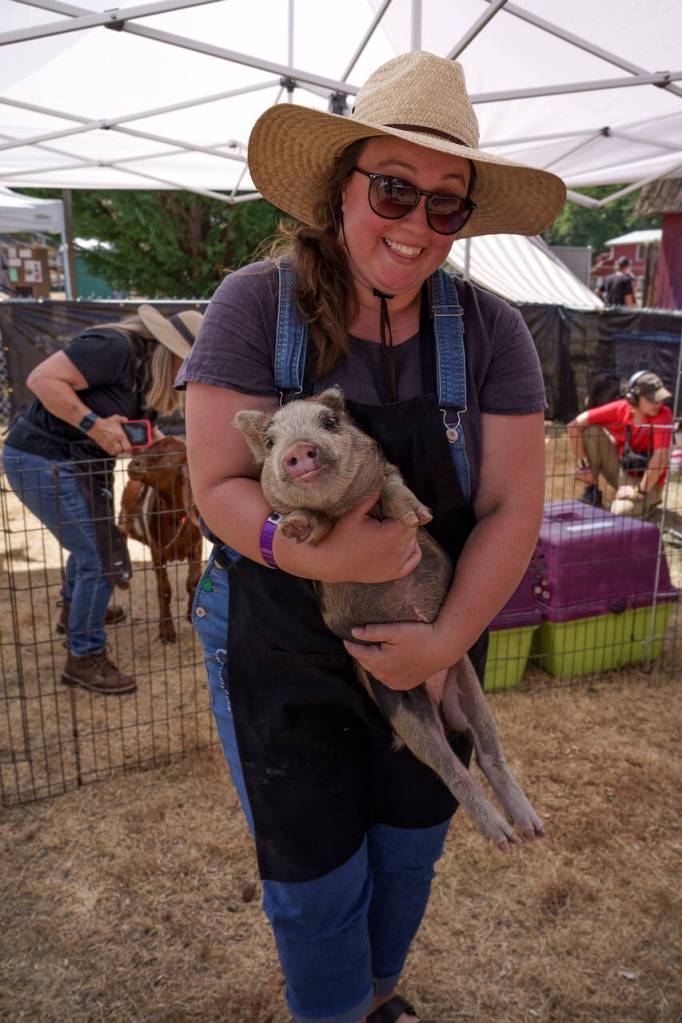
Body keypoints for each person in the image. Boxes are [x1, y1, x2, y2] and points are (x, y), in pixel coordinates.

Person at [179, 51, 565, 1023]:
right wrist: (321, 555)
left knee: (407, 847)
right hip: (276, 636)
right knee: (312, 878)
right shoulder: (251, 307)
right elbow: (216, 485)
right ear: (339, 187)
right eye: (394, 188)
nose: (417, 225)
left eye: (447, 205)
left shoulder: (491, 332)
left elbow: (516, 506)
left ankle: (376, 995)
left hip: (428, 636)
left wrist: (443, 643)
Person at [2, 305, 203, 695]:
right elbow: (41, 379)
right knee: (96, 555)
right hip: (42, 459)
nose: (186, 379)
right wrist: (92, 425)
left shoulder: (145, 374)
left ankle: (74, 613)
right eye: (187, 366)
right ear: (170, 350)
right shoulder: (113, 347)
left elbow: (140, 428)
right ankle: (84, 656)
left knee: (88, 545)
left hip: (78, 465)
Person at [568, 369, 673, 517]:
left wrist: (639, 491)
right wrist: (583, 467)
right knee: (591, 431)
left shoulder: (663, 415)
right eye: (652, 399)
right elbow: (574, 425)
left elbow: (661, 456)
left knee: (619, 512)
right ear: (634, 398)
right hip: (622, 472)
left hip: (649, 483)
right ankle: (593, 493)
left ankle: (647, 505)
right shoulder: (621, 407)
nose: (658, 403)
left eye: (660, 398)